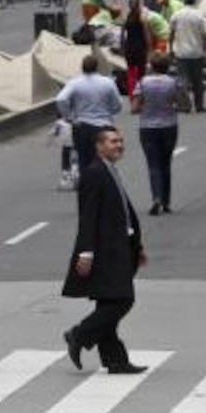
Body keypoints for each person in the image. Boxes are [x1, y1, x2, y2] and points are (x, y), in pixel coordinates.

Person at [62, 126, 148, 375]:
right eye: (112, 141)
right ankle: (78, 334)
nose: (119, 145)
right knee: (122, 299)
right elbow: (88, 216)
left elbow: (121, 213)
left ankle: (115, 360)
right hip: (104, 250)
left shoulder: (109, 170)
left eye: (120, 141)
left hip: (120, 246)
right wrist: (86, 252)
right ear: (99, 146)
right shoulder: (94, 173)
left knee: (109, 302)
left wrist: (137, 246)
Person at [55, 55, 123, 173]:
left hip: (82, 126)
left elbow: (61, 99)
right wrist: (111, 111)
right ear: (97, 67)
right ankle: (103, 184)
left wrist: (68, 117)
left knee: (84, 159)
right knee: (105, 159)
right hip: (104, 125)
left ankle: (86, 185)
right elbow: (118, 104)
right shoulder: (107, 82)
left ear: (82, 67)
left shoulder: (74, 83)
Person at [132, 53, 179, 215]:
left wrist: (144, 107)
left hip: (147, 128)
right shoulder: (173, 82)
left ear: (151, 66)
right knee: (166, 163)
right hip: (169, 126)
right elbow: (185, 103)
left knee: (153, 164)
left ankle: (156, 197)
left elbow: (134, 108)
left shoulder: (143, 83)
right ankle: (166, 202)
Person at [170, 0, 206, 113]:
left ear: (184, 1)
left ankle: (185, 105)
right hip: (196, 52)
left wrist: (170, 48)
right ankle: (199, 105)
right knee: (198, 81)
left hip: (181, 53)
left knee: (183, 81)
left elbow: (171, 33)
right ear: (194, 1)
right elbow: (204, 36)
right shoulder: (199, 16)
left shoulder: (176, 15)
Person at [121, 0, 152, 100]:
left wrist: (122, 47)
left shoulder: (127, 17)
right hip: (140, 47)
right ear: (139, 5)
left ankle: (132, 95)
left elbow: (122, 34)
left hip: (129, 47)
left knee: (131, 72)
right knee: (141, 72)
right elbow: (146, 34)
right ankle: (141, 95)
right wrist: (149, 49)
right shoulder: (142, 18)